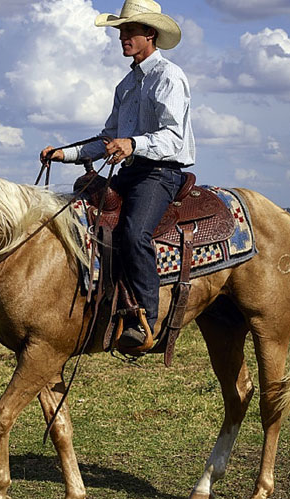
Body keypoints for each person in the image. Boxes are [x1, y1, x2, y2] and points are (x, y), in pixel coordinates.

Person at [40, 0, 195, 350]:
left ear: (150, 35)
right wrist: (64, 154)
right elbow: (107, 139)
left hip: (160, 173)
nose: (122, 37)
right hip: (130, 171)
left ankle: (146, 320)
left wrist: (133, 143)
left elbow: (174, 137)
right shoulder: (125, 85)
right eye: (121, 31)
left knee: (134, 232)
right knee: (78, 218)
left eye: (129, 31)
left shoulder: (169, 77)